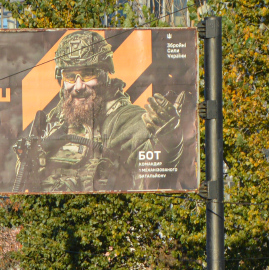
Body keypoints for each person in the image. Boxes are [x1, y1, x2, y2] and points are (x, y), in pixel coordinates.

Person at [10, 29, 186, 192]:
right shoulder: (54, 120)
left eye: (87, 74)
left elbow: (154, 164)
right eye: (70, 76)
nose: (78, 86)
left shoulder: (124, 118)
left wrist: (169, 139)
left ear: (104, 76)